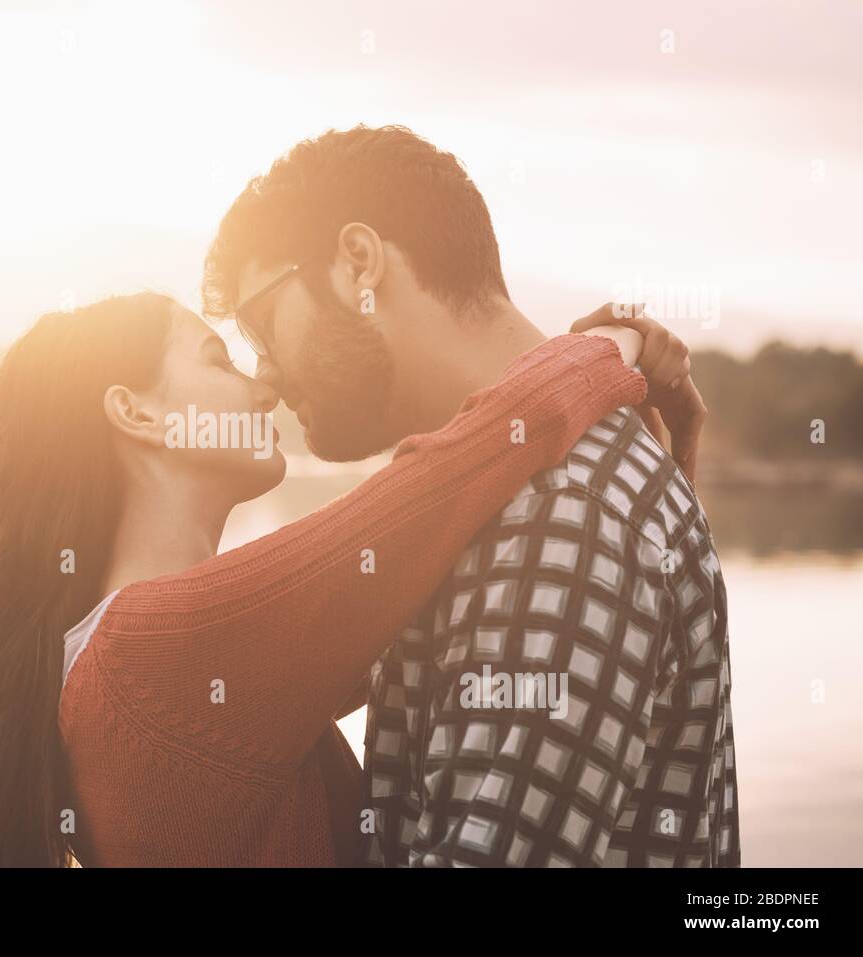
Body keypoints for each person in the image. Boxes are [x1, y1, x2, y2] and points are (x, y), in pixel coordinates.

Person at [0, 284, 685, 866]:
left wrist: (657, 465)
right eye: (217, 358)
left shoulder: (142, 659)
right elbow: (457, 467)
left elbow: (490, 594)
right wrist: (619, 346)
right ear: (136, 414)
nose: (265, 385)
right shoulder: (151, 653)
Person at [202, 124, 738, 866]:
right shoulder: (502, 491)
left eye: (262, 323)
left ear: (358, 261)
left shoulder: (558, 508)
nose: (262, 373)